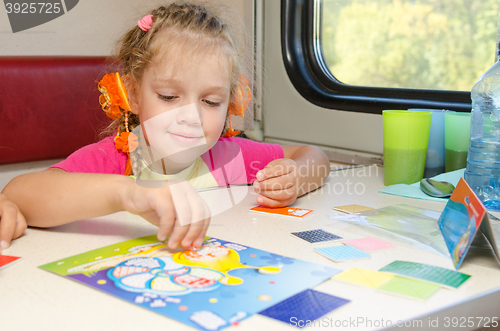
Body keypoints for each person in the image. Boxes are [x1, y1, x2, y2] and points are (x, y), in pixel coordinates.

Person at [2, 2, 329, 251]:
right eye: (169, 96)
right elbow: (19, 194)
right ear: (132, 94)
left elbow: (312, 155)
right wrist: (129, 194)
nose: (191, 116)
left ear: (231, 102)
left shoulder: (227, 157)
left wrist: (297, 176)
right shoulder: (116, 161)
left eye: (211, 102)